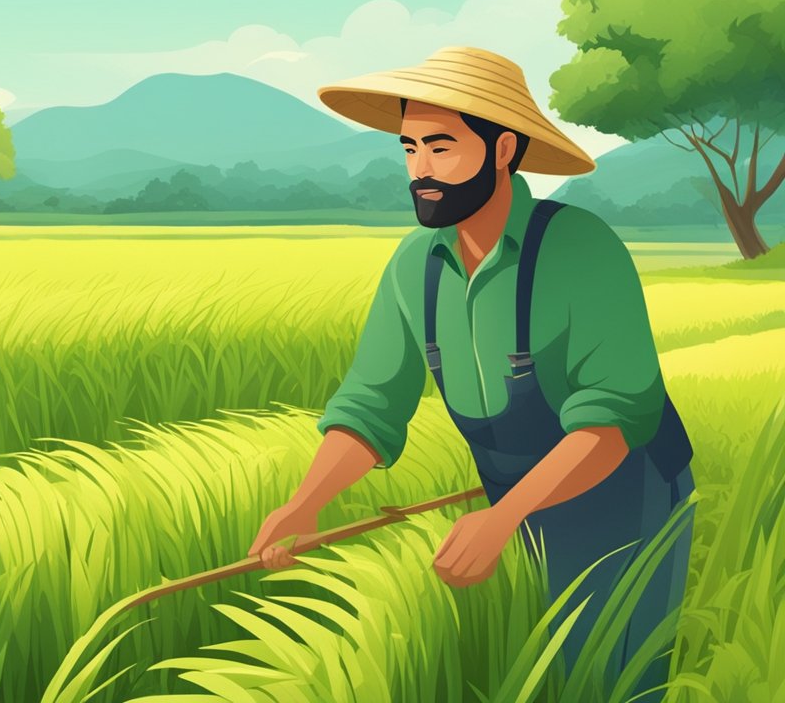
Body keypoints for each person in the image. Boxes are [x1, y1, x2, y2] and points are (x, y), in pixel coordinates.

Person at [247, 46, 696, 692]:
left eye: (441, 147)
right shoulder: (414, 266)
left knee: (610, 673)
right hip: (509, 504)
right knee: (527, 665)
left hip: (626, 498)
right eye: (409, 149)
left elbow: (611, 423)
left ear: (504, 149)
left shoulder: (580, 249)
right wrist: (305, 503)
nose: (420, 171)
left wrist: (504, 516)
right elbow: (372, 407)